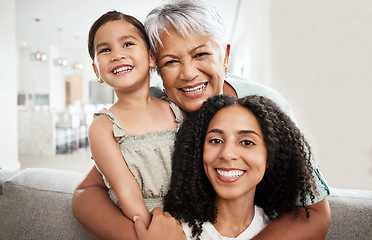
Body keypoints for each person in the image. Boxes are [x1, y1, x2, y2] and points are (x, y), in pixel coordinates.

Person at [72, 1, 331, 239]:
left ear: (225, 56)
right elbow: (87, 194)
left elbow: (315, 213)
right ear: (156, 68)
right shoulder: (156, 107)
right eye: (171, 62)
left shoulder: (264, 108)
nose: (188, 74)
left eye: (201, 55)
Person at [165, 94, 319, 240]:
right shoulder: (173, 232)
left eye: (247, 142)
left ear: (270, 157)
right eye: (216, 140)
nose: (227, 154)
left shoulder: (284, 231)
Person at [85, 10, 183, 230]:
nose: (117, 55)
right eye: (105, 49)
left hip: (190, 215)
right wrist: (153, 232)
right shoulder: (103, 127)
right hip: (144, 222)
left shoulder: (177, 110)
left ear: (151, 56)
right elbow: (127, 190)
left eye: (127, 44)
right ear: (96, 70)